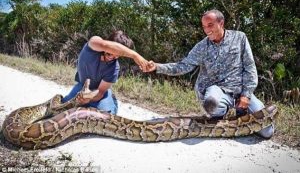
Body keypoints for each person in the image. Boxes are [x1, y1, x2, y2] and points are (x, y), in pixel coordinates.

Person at [145, 9, 274, 139]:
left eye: (210, 25)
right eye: (204, 27)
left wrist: (246, 95)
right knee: (212, 101)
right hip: (217, 90)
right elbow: (183, 66)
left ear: (221, 23)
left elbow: (250, 67)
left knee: (267, 132)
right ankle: (225, 118)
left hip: (239, 91)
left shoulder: (239, 38)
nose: (207, 30)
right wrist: (157, 67)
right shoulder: (202, 46)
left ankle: (238, 117)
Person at [62, 30, 148, 114]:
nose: (112, 57)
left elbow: (100, 92)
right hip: (81, 87)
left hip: (98, 93)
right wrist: (134, 55)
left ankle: (112, 102)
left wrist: (88, 99)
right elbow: (104, 45)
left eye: (117, 55)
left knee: (107, 116)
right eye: (112, 52)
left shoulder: (114, 68)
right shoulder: (93, 44)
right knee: (60, 110)